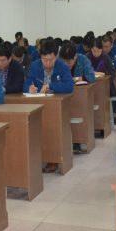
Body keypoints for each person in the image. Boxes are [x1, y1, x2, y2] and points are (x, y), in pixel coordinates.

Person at [24, 40, 74, 172]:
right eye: (44, 60)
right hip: (37, 105)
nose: (47, 63)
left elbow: (70, 86)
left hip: (56, 108)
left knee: (51, 125)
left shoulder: (62, 67)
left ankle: (53, 158)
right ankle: (36, 156)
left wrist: (50, 86)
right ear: (40, 56)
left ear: (56, 56)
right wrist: (29, 88)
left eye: (51, 60)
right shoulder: (35, 66)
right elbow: (26, 83)